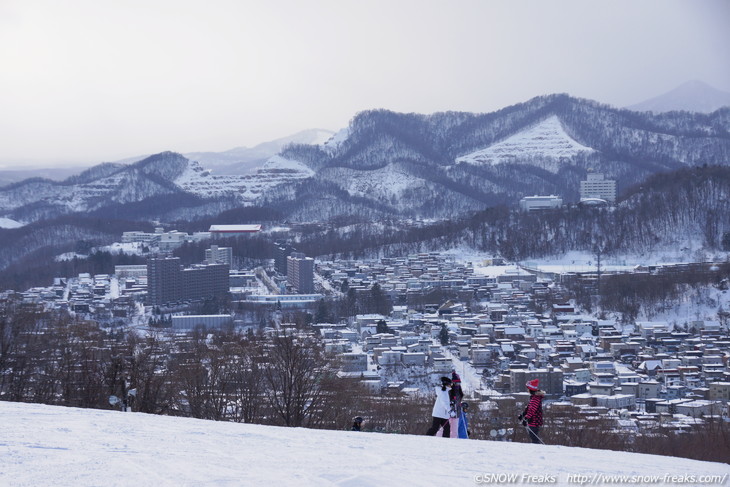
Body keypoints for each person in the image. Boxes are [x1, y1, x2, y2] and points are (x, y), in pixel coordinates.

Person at [519, 379, 545, 444]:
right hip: (533, 420)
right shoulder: (534, 397)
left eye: (528, 389)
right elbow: (528, 408)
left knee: (533, 436)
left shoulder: (535, 398)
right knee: (532, 435)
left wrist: (526, 419)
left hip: (534, 420)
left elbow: (531, 410)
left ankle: (536, 448)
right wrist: (523, 415)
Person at [448, 371, 465, 438]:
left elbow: (460, 397)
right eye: (457, 383)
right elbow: (447, 400)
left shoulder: (459, 390)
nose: (458, 384)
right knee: (446, 428)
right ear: (453, 382)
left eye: (459, 383)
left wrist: (459, 403)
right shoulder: (450, 390)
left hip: (457, 412)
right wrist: (451, 404)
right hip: (450, 412)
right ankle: (439, 438)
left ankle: (454, 440)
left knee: (454, 430)